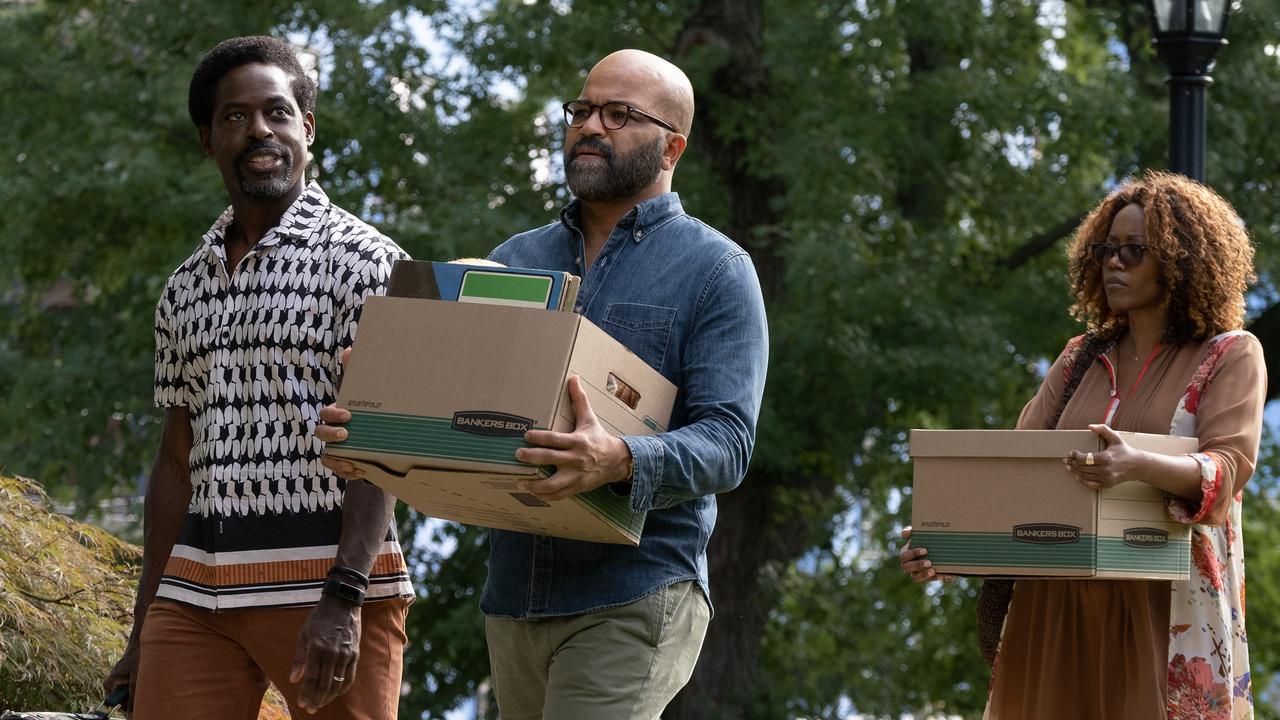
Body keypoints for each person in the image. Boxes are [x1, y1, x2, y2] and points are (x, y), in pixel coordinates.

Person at [320, 49, 769, 719]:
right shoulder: (515, 260)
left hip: (635, 591)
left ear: (673, 145)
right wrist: (380, 428)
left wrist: (620, 458)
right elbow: (465, 421)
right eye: (582, 110)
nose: (590, 126)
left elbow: (729, 443)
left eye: (619, 114)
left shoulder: (717, 270)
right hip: (514, 595)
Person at [103, 36, 413, 720]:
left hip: (327, 588)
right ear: (208, 140)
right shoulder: (184, 288)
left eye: (277, 112)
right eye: (236, 117)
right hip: (197, 593)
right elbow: (176, 462)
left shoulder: (370, 264)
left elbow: (386, 441)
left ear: (307, 126)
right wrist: (141, 630)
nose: (259, 131)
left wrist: (346, 595)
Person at [900, 170, 1265, 719]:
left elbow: (1229, 468)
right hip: (1055, 608)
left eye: (1135, 250)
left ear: (1180, 259)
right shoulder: (1078, 359)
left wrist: (1139, 464)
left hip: (1163, 609)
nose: (1114, 262)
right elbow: (1015, 479)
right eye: (1106, 249)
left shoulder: (1230, 353)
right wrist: (946, 544)